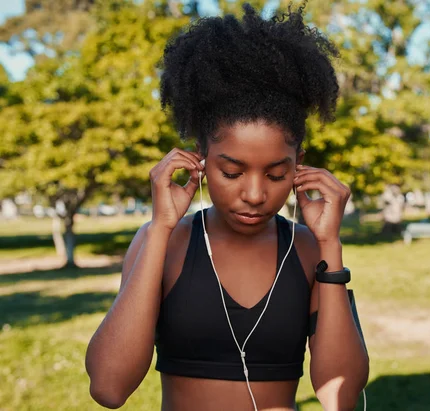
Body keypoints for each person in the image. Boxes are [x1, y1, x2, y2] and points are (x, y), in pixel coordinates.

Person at [85, 3, 369, 410]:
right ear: (200, 158)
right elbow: (109, 387)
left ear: (298, 166)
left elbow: (339, 397)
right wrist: (160, 228)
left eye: (275, 175)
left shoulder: (309, 251)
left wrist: (330, 246)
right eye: (232, 172)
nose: (254, 195)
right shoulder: (165, 242)